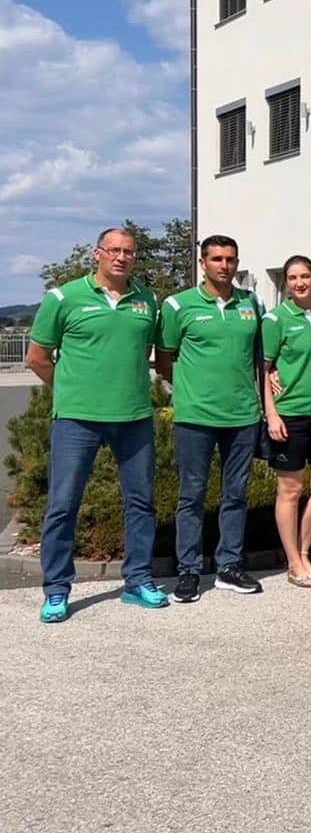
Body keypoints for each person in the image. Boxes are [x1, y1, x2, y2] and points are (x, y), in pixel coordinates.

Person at [30, 227, 168, 622]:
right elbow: (38, 357)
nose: (122, 257)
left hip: (134, 417)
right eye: (114, 250)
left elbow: (143, 351)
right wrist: (71, 391)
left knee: (141, 503)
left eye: (129, 251)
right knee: (63, 504)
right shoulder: (63, 298)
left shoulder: (146, 300)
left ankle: (137, 581)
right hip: (77, 420)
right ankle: (57, 589)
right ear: (98, 254)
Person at [154, 234, 265, 601]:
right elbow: (165, 359)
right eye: (217, 259)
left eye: (230, 259)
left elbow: (259, 357)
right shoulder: (178, 305)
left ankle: (229, 566)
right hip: (195, 418)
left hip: (242, 416)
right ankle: (188, 570)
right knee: (192, 496)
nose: (224, 265)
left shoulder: (252, 303)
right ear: (203, 263)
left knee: (236, 495)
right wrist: (191, 391)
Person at [262, 255, 311, 587]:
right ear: (285, 283)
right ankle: (294, 562)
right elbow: (262, 370)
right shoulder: (275, 319)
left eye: (305, 276)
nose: (299, 283)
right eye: (292, 278)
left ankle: (304, 551)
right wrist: (271, 414)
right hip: (290, 416)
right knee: (290, 490)